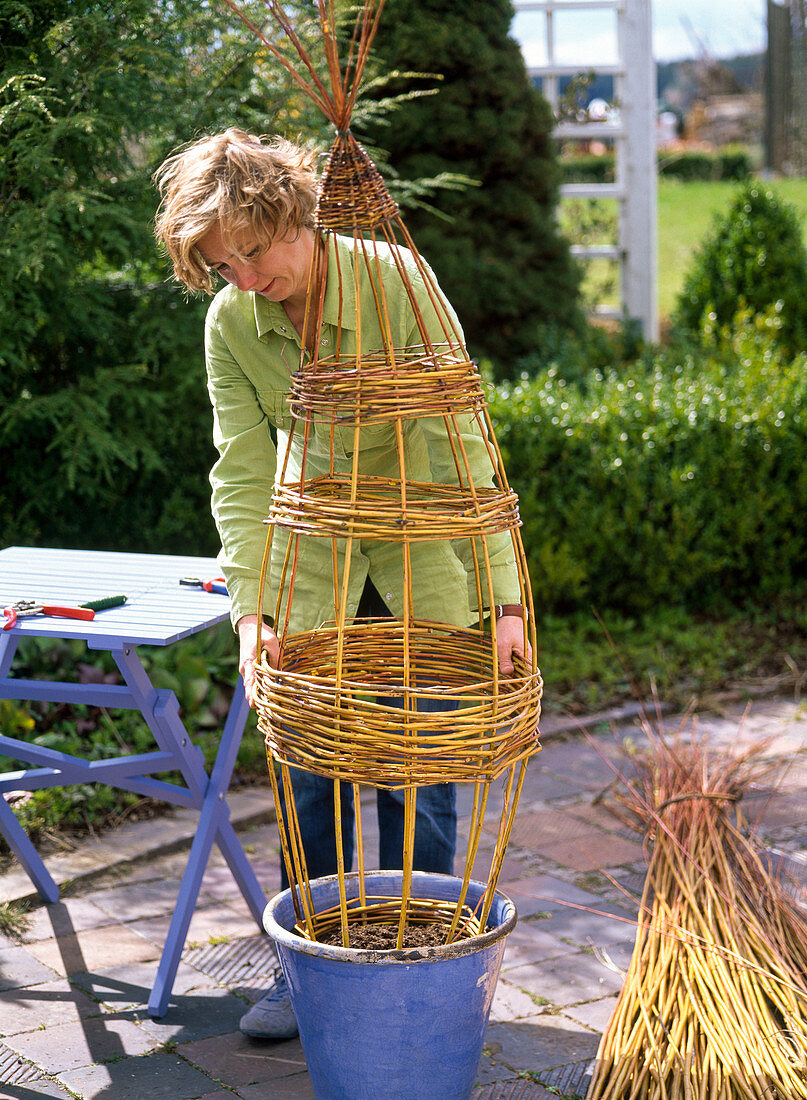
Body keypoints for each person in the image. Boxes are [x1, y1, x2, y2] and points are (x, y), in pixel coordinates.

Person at [154, 128, 529, 1039]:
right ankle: (309, 973)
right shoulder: (232, 325)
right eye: (220, 262)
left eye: (254, 249)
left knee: (418, 783)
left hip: (420, 566)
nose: (243, 276)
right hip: (307, 575)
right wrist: (254, 611)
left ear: (297, 215)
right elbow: (241, 471)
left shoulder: (395, 279)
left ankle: (422, 971)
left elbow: (461, 434)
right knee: (308, 782)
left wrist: (505, 598)